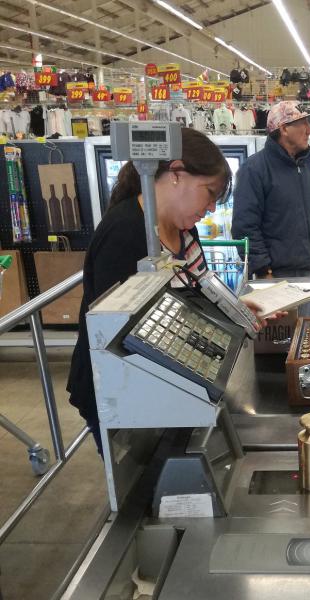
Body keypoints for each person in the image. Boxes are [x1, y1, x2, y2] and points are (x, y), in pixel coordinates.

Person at [68, 128, 268, 454]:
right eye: (209, 193)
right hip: (125, 392)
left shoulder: (184, 231)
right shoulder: (125, 233)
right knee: (142, 486)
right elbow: (120, 339)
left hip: (177, 379)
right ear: (176, 174)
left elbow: (195, 294)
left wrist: (235, 310)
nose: (211, 209)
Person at [232, 101, 310, 278]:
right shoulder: (254, 170)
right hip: (276, 277)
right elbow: (245, 228)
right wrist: (263, 272)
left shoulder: (308, 168)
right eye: (304, 124)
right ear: (284, 129)